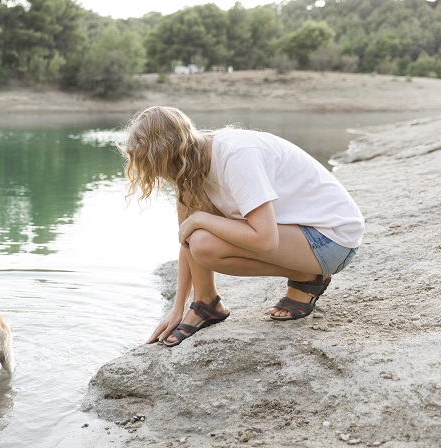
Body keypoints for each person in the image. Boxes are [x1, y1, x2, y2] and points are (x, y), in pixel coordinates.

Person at [120, 106, 364, 347]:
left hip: (332, 240)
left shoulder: (236, 155)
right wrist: (177, 308)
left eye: (158, 168)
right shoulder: (191, 166)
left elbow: (266, 240)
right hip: (300, 233)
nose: (163, 177)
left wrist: (201, 219)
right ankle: (206, 304)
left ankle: (307, 277)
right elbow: (186, 239)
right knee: (198, 238)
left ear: (173, 155)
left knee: (203, 239)